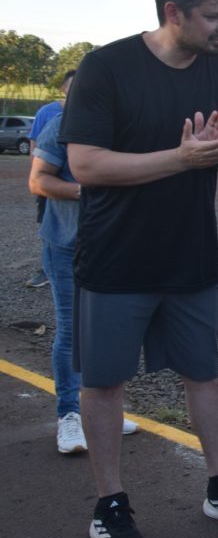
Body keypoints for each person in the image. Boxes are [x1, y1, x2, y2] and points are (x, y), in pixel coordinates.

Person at [61, 0, 218, 538]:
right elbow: (87, 166)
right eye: (213, 15)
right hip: (115, 260)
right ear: (172, 12)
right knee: (104, 383)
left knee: (204, 372)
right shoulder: (107, 66)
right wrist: (180, 159)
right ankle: (110, 503)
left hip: (192, 258)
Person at [28, 73, 139, 454]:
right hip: (66, 246)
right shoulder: (61, 126)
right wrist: (88, 191)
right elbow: (38, 181)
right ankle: (69, 415)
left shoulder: (125, 128)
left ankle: (102, 412)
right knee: (72, 332)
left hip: (115, 248)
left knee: (109, 332)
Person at [24, 73, 72, 289]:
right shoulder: (50, 115)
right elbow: (35, 144)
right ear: (64, 89)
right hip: (52, 174)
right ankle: (45, 268)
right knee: (48, 220)